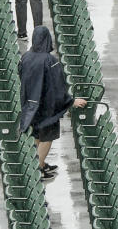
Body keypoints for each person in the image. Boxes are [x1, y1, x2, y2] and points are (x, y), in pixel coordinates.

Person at [18, 26, 87, 178]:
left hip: (31, 106)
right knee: (47, 138)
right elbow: (57, 86)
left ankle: (40, 164)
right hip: (46, 107)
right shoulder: (50, 60)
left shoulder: (26, 57)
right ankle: (36, 171)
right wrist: (71, 102)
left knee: (37, 135)